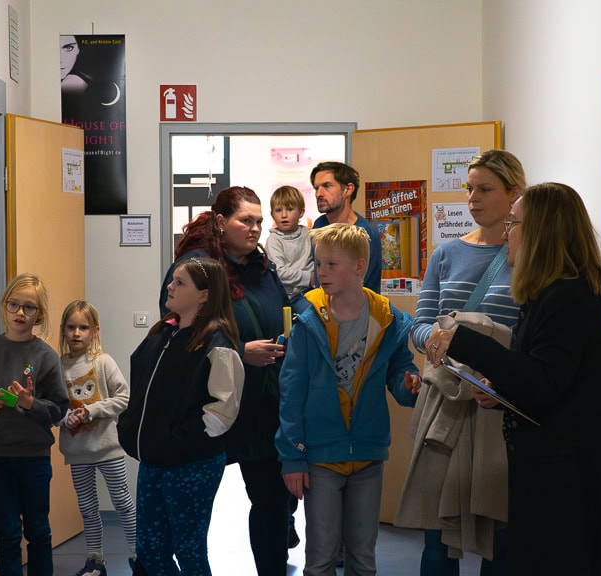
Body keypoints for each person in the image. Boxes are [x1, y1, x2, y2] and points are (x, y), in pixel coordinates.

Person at [424, 183, 601, 576]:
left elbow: (543, 384)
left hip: (566, 477)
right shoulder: (549, 295)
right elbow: (549, 377)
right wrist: (501, 391)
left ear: (541, 232)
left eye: (513, 223)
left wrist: (463, 341)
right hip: (553, 469)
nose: (505, 234)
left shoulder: (566, 298)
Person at [397, 149, 525, 575]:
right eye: (469, 188)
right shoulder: (446, 254)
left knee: (498, 532)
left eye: (485, 189)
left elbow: (529, 333)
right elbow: (419, 324)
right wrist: (433, 340)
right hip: (446, 403)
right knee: (437, 537)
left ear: (514, 194)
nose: (473, 198)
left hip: (497, 403)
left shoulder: (526, 256)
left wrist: (499, 375)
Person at [159, 186, 291, 576]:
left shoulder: (262, 268)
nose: (255, 229)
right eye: (245, 220)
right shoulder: (195, 268)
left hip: (261, 406)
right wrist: (241, 350)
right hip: (207, 409)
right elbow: (176, 332)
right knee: (188, 513)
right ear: (220, 221)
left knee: (272, 505)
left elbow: (283, 308)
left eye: (259, 221)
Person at [276, 223, 421, 576]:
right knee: (321, 558)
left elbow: (399, 373)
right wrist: (292, 456)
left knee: (363, 558)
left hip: (368, 453)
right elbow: (291, 392)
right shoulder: (308, 321)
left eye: (331, 264)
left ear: (359, 267)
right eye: (318, 264)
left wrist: (409, 386)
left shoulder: (388, 320)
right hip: (321, 455)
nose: (321, 272)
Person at [119, 257, 244, 575]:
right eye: (172, 280)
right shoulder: (161, 334)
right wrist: (129, 425)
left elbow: (222, 411)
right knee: (149, 550)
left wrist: (177, 440)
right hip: (154, 460)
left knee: (188, 549)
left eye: (180, 282)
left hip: (192, 464)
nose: (170, 287)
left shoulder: (218, 344)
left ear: (204, 295)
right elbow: (141, 391)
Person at [0, 272, 69, 576]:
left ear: (39, 315)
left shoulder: (46, 356)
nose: (20, 312)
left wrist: (30, 404)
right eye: (14, 304)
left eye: (29, 307)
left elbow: (59, 410)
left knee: (38, 530)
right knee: (7, 531)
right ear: (4, 306)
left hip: (34, 457)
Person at [57, 300, 139, 576]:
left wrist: (90, 410)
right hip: (77, 452)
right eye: (71, 327)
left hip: (108, 449)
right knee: (88, 508)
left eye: (83, 327)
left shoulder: (103, 362)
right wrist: (65, 418)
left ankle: (139, 555)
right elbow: (54, 406)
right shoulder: (58, 366)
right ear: (63, 329)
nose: (76, 333)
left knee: (123, 502)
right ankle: (95, 562)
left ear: (94, 330)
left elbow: (123, 397)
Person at [311, 161, 382, 294]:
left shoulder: (365, 233)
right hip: (321, 304)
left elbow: (360, 289)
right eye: (316, 188)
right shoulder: (319, 225)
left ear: (348, 189)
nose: (318, 193)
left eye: (327, 186)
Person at [264, 185, 314, 298]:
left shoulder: (310, 234)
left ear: (301, 212)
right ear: (272, 214)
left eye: (290, 209)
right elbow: (279, 272)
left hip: (313, 290)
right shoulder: (274, 240)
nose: (284, 215)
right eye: (278, 210)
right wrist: (309, 277)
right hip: (290, 297)